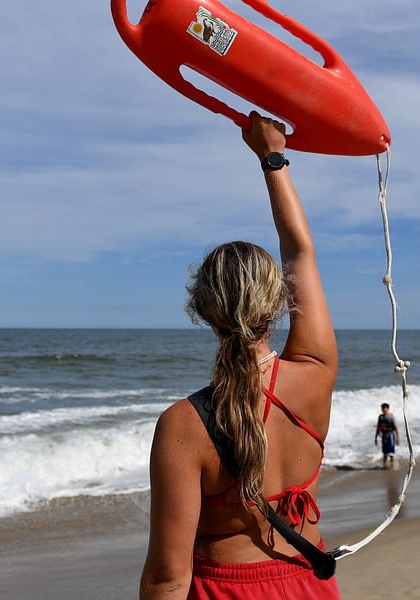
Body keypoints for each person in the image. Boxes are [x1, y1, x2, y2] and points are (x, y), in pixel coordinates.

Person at [139, 113, 341, 599]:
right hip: (307, 584)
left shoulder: (184, 425)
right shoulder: (315, 374)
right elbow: (300, 253)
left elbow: (168, 578)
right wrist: (272, 158)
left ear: (204, 312)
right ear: (279, 303)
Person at [374, 402, 399, 469]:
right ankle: (384, 466)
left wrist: (397, 438)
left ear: (388, 409)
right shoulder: (380, 417)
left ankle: (392, 466)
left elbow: (395, 427)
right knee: (385, 453)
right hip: (384, 436)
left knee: (391, 453)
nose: (383, 410)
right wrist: (375, 438)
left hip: (391, 435)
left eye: (385, 408)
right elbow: (378, 427)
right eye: (382, 408)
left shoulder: (391, 416)